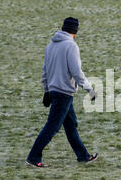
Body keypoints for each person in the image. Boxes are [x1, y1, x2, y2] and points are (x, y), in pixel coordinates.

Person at [26, 17, 98, 167]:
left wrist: (46, 90)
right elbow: (77, 72)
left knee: (71, 125)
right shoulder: (71, 46)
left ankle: (83, 156)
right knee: (51, 127)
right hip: (64, 93)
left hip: (54, 91)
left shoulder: (50, 45)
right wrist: (90, 89)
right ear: (75, 31)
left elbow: (45, 71)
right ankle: (33, 157)